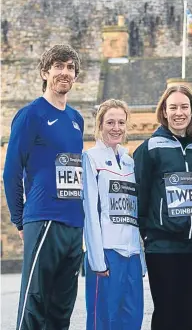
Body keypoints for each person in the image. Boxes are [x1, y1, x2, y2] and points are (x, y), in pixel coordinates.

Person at [3, 44, 85, 330]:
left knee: (62, 308)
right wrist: (20, 221)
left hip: (74, 225)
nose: (65, 72)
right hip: (44, 219)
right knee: (34, 305)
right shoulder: (30, 115)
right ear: (45, 72)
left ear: (75, 76)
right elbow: (11, 172)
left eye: (70, 68)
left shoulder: (76, 120)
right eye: (59, 66)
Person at [134, 85, 192, 330]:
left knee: (187, 314)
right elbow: (140, 194)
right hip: (162, 245)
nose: (179, 112)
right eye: (173, 107)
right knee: (167, 312)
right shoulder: (150, 148)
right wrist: (148, 232)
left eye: (184, 107)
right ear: (164, 112)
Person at [82, 99, 146, 330]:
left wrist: (141, 256)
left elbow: (134, 210)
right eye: (110, 122)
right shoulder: (91, 158)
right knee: (103, 320)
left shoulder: (130, 162)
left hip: (132, 254)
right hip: (107, 254)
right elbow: (90, 211)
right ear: (100, 125)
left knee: (131, 319)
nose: (116, 127)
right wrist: (97, 259)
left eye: (121, 122)